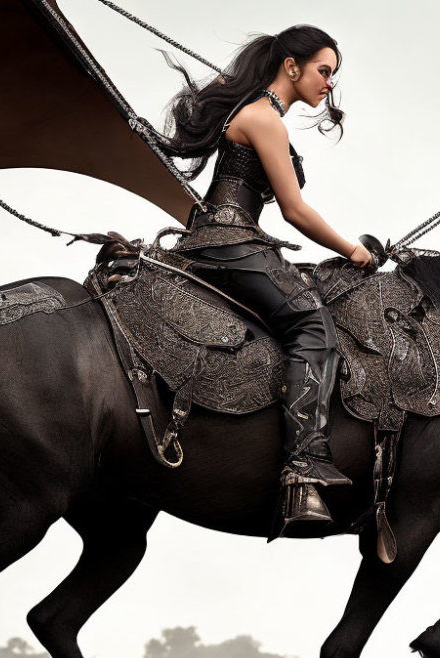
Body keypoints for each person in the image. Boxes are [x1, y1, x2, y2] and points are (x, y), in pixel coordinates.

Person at [161, 25, 374, 536]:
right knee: (314, 327)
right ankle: (302, 469)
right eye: (324, 71)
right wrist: (353, 250)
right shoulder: (263, 118)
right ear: (292, 66)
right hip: (230, 243)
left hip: (220, 240)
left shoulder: (259, 115)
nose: (329, 85)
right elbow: (296, 212)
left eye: (333, 76)